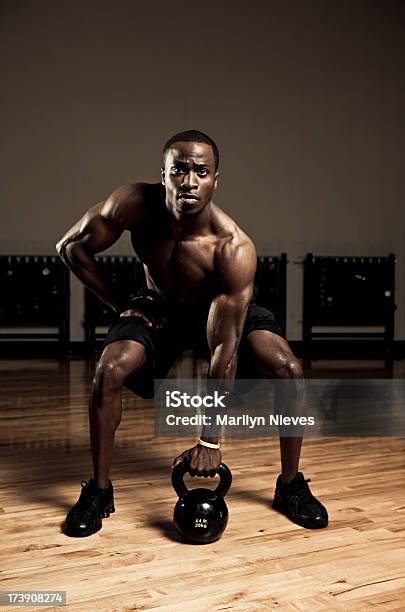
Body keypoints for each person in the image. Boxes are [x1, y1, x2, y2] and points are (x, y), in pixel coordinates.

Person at [56, 129, 328, 537]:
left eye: (201, 171)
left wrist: (210, 441)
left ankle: (290, 484)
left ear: (216, 180)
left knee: (288, 367)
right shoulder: (133, 204)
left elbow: (224, 351)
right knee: (108, 370)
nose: (189, 180)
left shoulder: (232, 248)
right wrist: (119, 304)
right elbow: (70, 247)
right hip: (160, 306)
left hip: (220, 312)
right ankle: (98, 491)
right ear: (163, 174)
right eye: (179, 169)